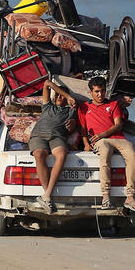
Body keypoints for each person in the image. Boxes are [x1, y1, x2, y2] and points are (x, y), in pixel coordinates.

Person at [78, 76, 135, 212]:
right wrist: (86, 144)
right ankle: (106, 197)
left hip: (118, 138)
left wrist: (103, 134)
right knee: (105, 156)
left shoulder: (113, 104)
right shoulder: (84, 107)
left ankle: (130, 197)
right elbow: (82, 129)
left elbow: (118, 125)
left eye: (102, 91)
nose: (100, 94)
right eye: (96, 91)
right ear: (90, 92)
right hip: (101, 141)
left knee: (132, 156)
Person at [28, 79, 78, 213]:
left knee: (62, 154)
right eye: (58, 95)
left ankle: (47, 195)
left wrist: (72, 125)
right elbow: (47, 83)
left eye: (63, 96)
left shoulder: (70, 110)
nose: (60, 97)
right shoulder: (48, 106)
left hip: (57, 137)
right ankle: (47, 197)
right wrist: (67, 95)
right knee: (39, 154)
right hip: (39, 135)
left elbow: (74, 125)